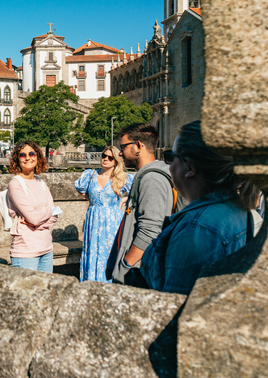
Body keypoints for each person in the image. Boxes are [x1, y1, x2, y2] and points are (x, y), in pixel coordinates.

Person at [141, 121, 258, 294]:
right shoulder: (235, 209)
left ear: (189, 167)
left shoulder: (197, 229)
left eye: (171, 158)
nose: (169, 166)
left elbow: (175, 305)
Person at [107, 123, 184, 285]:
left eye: (123, 147)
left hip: (138, 273)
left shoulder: (152, 179)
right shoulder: (156, 173)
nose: (120, 153)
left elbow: (150, 230)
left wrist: (125, 266)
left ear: (138, 146)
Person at [74, 146, 133, 282]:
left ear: (116, 161)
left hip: (112, 220)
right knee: (92, 251)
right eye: (104, 156)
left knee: (108, 253)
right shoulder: (91, 174)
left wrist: (123, 200)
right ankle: (91, 284)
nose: (105, 159)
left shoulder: (122, 178)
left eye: (110, 157)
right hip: (93, 218)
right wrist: (93, 201)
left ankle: (108, 284)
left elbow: (137, 191)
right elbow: (81, 189)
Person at [6, 140, 58, 273]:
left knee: (46, 292)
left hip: (46, 248)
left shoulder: (40, 182)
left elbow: (55, 214)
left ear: (37, 157)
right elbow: (35, 217)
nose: (28, 157)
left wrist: (35, 223)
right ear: (17, 159)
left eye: (31, 153)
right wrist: (42, 216)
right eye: (22, 155)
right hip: (25, 251)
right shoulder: (15, 184)